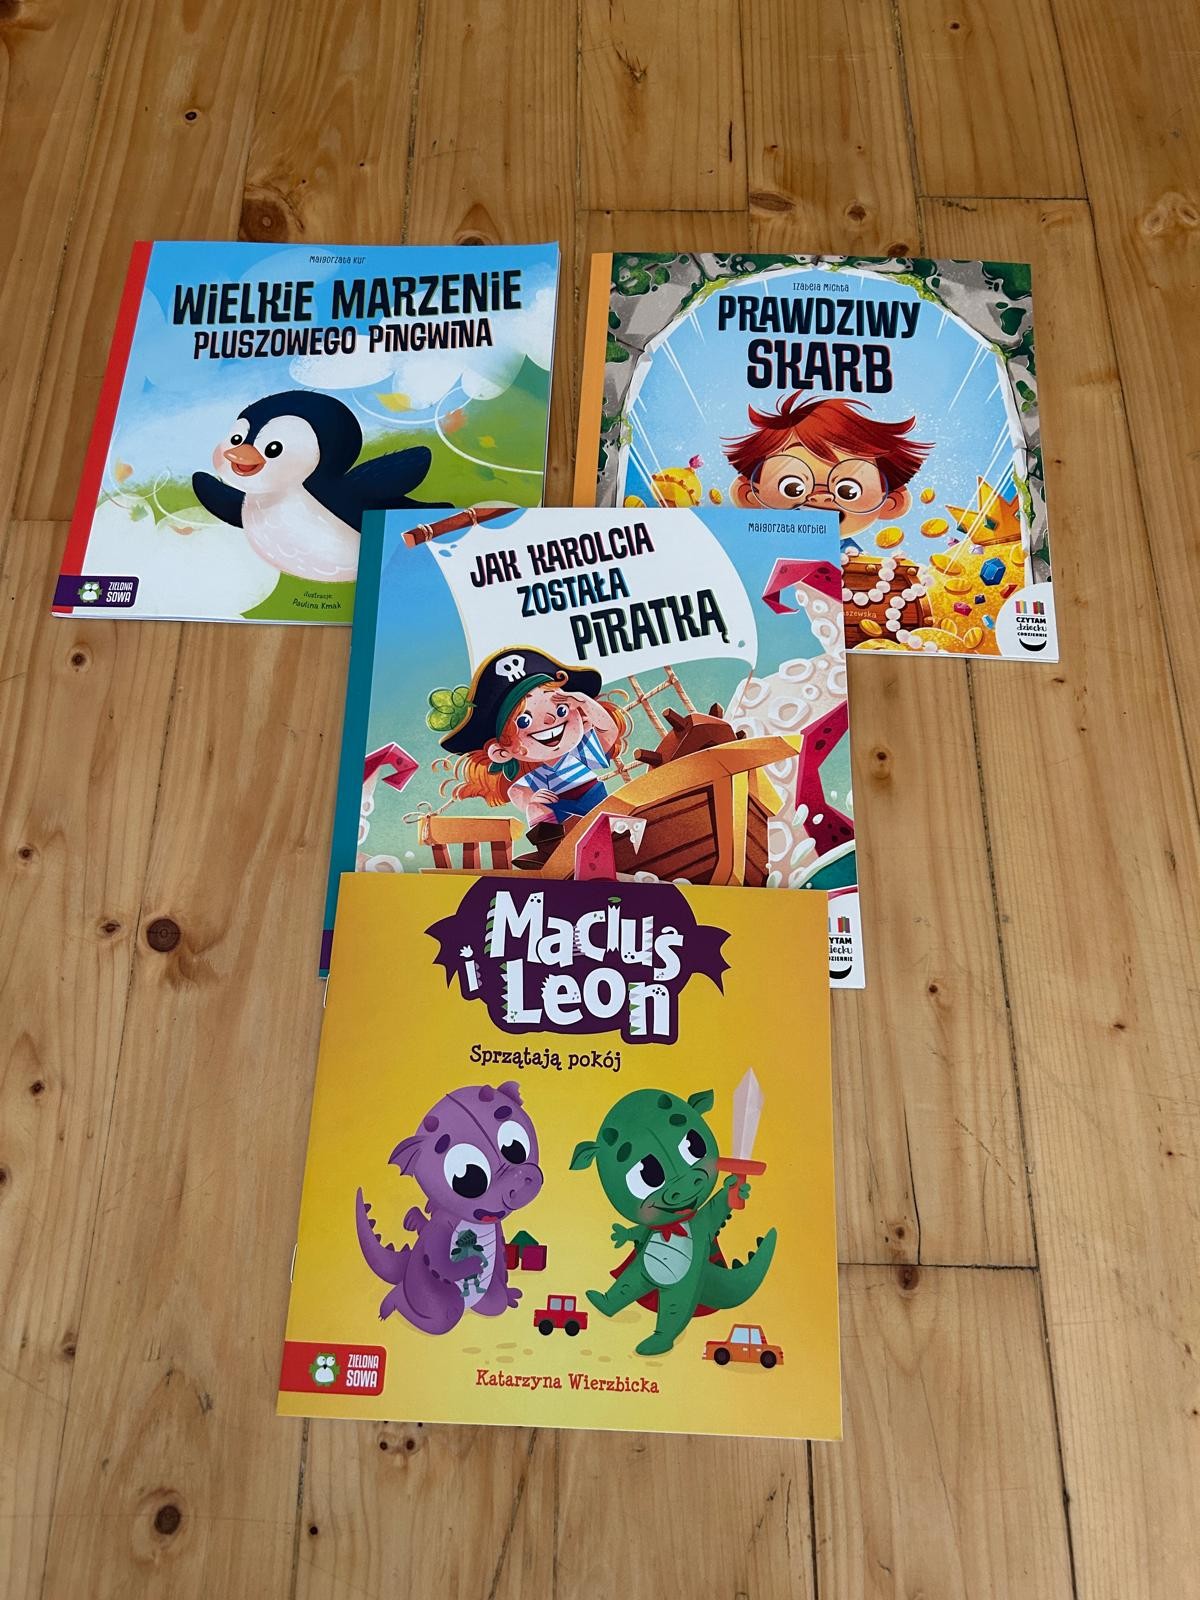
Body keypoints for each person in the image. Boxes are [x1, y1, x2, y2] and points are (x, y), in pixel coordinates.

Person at [436, 647, 631, 867]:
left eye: (561, 710)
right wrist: (533, 801)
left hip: (596, 805)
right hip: (561, 817)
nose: (550, 720)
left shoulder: (580, 754)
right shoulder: (536, 779)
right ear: (501, 752)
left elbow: (608, 732)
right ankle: (552, 854)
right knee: (539, 811)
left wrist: (585, 702)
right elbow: (517, 792)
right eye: (524, 721)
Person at [724, 393, 931, 553]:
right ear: (749, 495)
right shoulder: (751, 549)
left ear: (890, 503)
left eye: (848, 490)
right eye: (792, 487)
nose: (821, 497)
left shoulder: (856, 563)